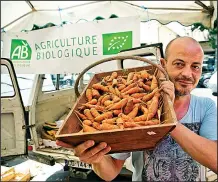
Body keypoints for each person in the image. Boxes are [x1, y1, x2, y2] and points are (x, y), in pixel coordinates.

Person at [57, 36, 217, 181]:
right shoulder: (131, 108)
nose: (187, 74)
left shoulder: (206, 106)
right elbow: (110, 172)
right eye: (179, 64)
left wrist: (168, 117)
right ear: (163, 65)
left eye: (195, 66)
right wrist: (96, 158)